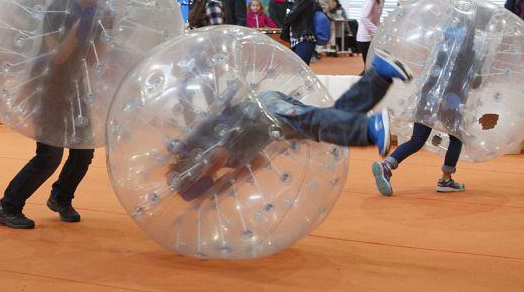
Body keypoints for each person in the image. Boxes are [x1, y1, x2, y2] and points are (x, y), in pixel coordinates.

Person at [166, 49, 413, 202]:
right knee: (329, 119)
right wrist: (222, 184)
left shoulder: (212, 149)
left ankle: (369, 128)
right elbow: (259, 161)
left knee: (316, 123)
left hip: (265, 110)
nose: (207, 175)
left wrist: (212, 179)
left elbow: (217, 153)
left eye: (201, 177)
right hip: (271, 118)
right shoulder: (228, 158)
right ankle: (379, 75)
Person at [0, 0, 111, 229]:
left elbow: (94, 60)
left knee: (83, 151)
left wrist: (100, 28)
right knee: (49, 155)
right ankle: (8, 206)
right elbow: (57, 56)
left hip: (76, 85)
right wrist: (80, 24)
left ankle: (61, 198)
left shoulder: (100, 12)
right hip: (48, 85)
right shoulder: (59, 8)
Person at [372, 9, 496, 196]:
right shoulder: (471, 54)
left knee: (417, 140)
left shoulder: (442, 48)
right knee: (456, 136)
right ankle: (446, 179)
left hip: (427, 96)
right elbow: (475, 82)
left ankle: (387, 165)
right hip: (452, 100)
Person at [281, 0, 317, 65]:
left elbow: (291, 16)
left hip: (304, 39)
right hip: (299, 39)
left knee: (299, 73)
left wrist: (285, 18)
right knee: (298, 73)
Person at [356, 0, 391, 64]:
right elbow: (364, 18)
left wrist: (380, 30)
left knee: (372, 66)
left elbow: (377, 18)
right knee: (369, 66)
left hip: (373, 37)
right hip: (364, 38)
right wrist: (377, 30)